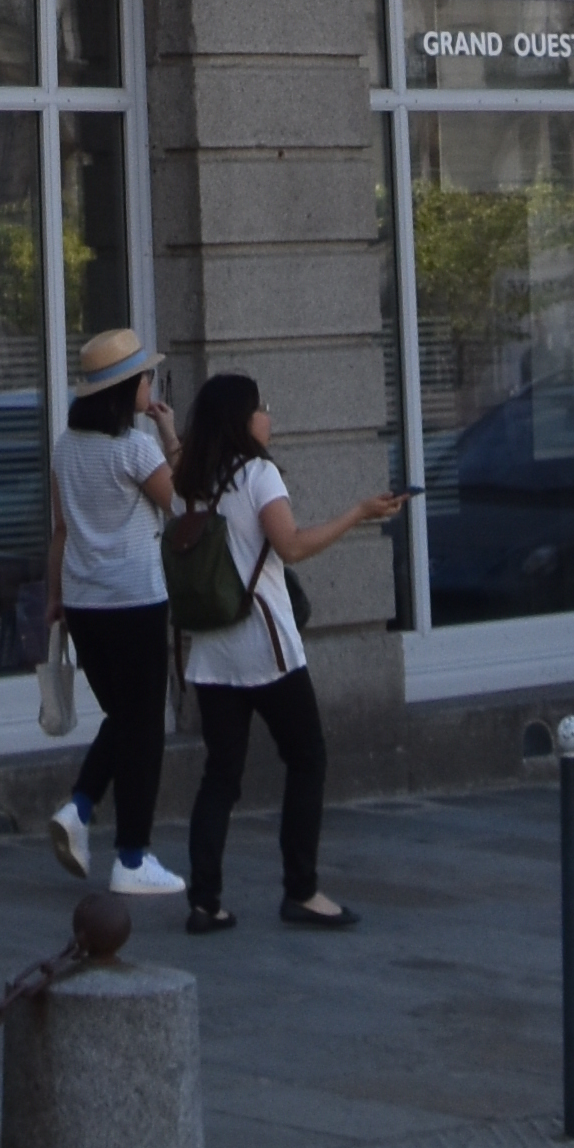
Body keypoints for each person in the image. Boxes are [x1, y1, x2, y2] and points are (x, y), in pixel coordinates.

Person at [171, 366, 399, 933]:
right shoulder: (258, 475)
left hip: (211, 651)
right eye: (261, 405)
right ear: (243, 419)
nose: (268, 414)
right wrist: (358, 514)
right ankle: (302, 890)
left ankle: (205, 901)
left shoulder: (190, 481)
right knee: (307, 758)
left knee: (220, 775)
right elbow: (291, 547)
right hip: (266, 647)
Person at [42, 325, 183, 900]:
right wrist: (169, 430)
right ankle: (132, 855)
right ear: (129, 389)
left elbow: (59, 532)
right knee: (143, 726)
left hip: (83, 601)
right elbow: (182, 501)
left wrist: (53, 601)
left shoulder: (66, 447)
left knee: (124, 717)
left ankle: (80, 808)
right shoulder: (135, 447)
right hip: (136, 598)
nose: (152, 383)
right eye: (147, 377)